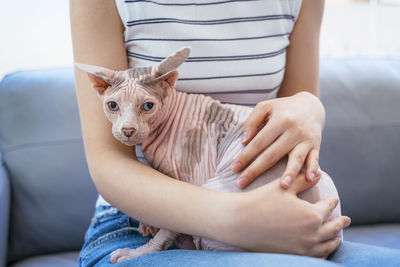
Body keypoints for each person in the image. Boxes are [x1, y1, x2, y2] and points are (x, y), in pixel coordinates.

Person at [70, 0, 400, 266]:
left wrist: (310, 107)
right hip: (141, 224)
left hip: (266, 212)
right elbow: (108, 162)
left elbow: (291, 128)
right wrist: (238, 220)